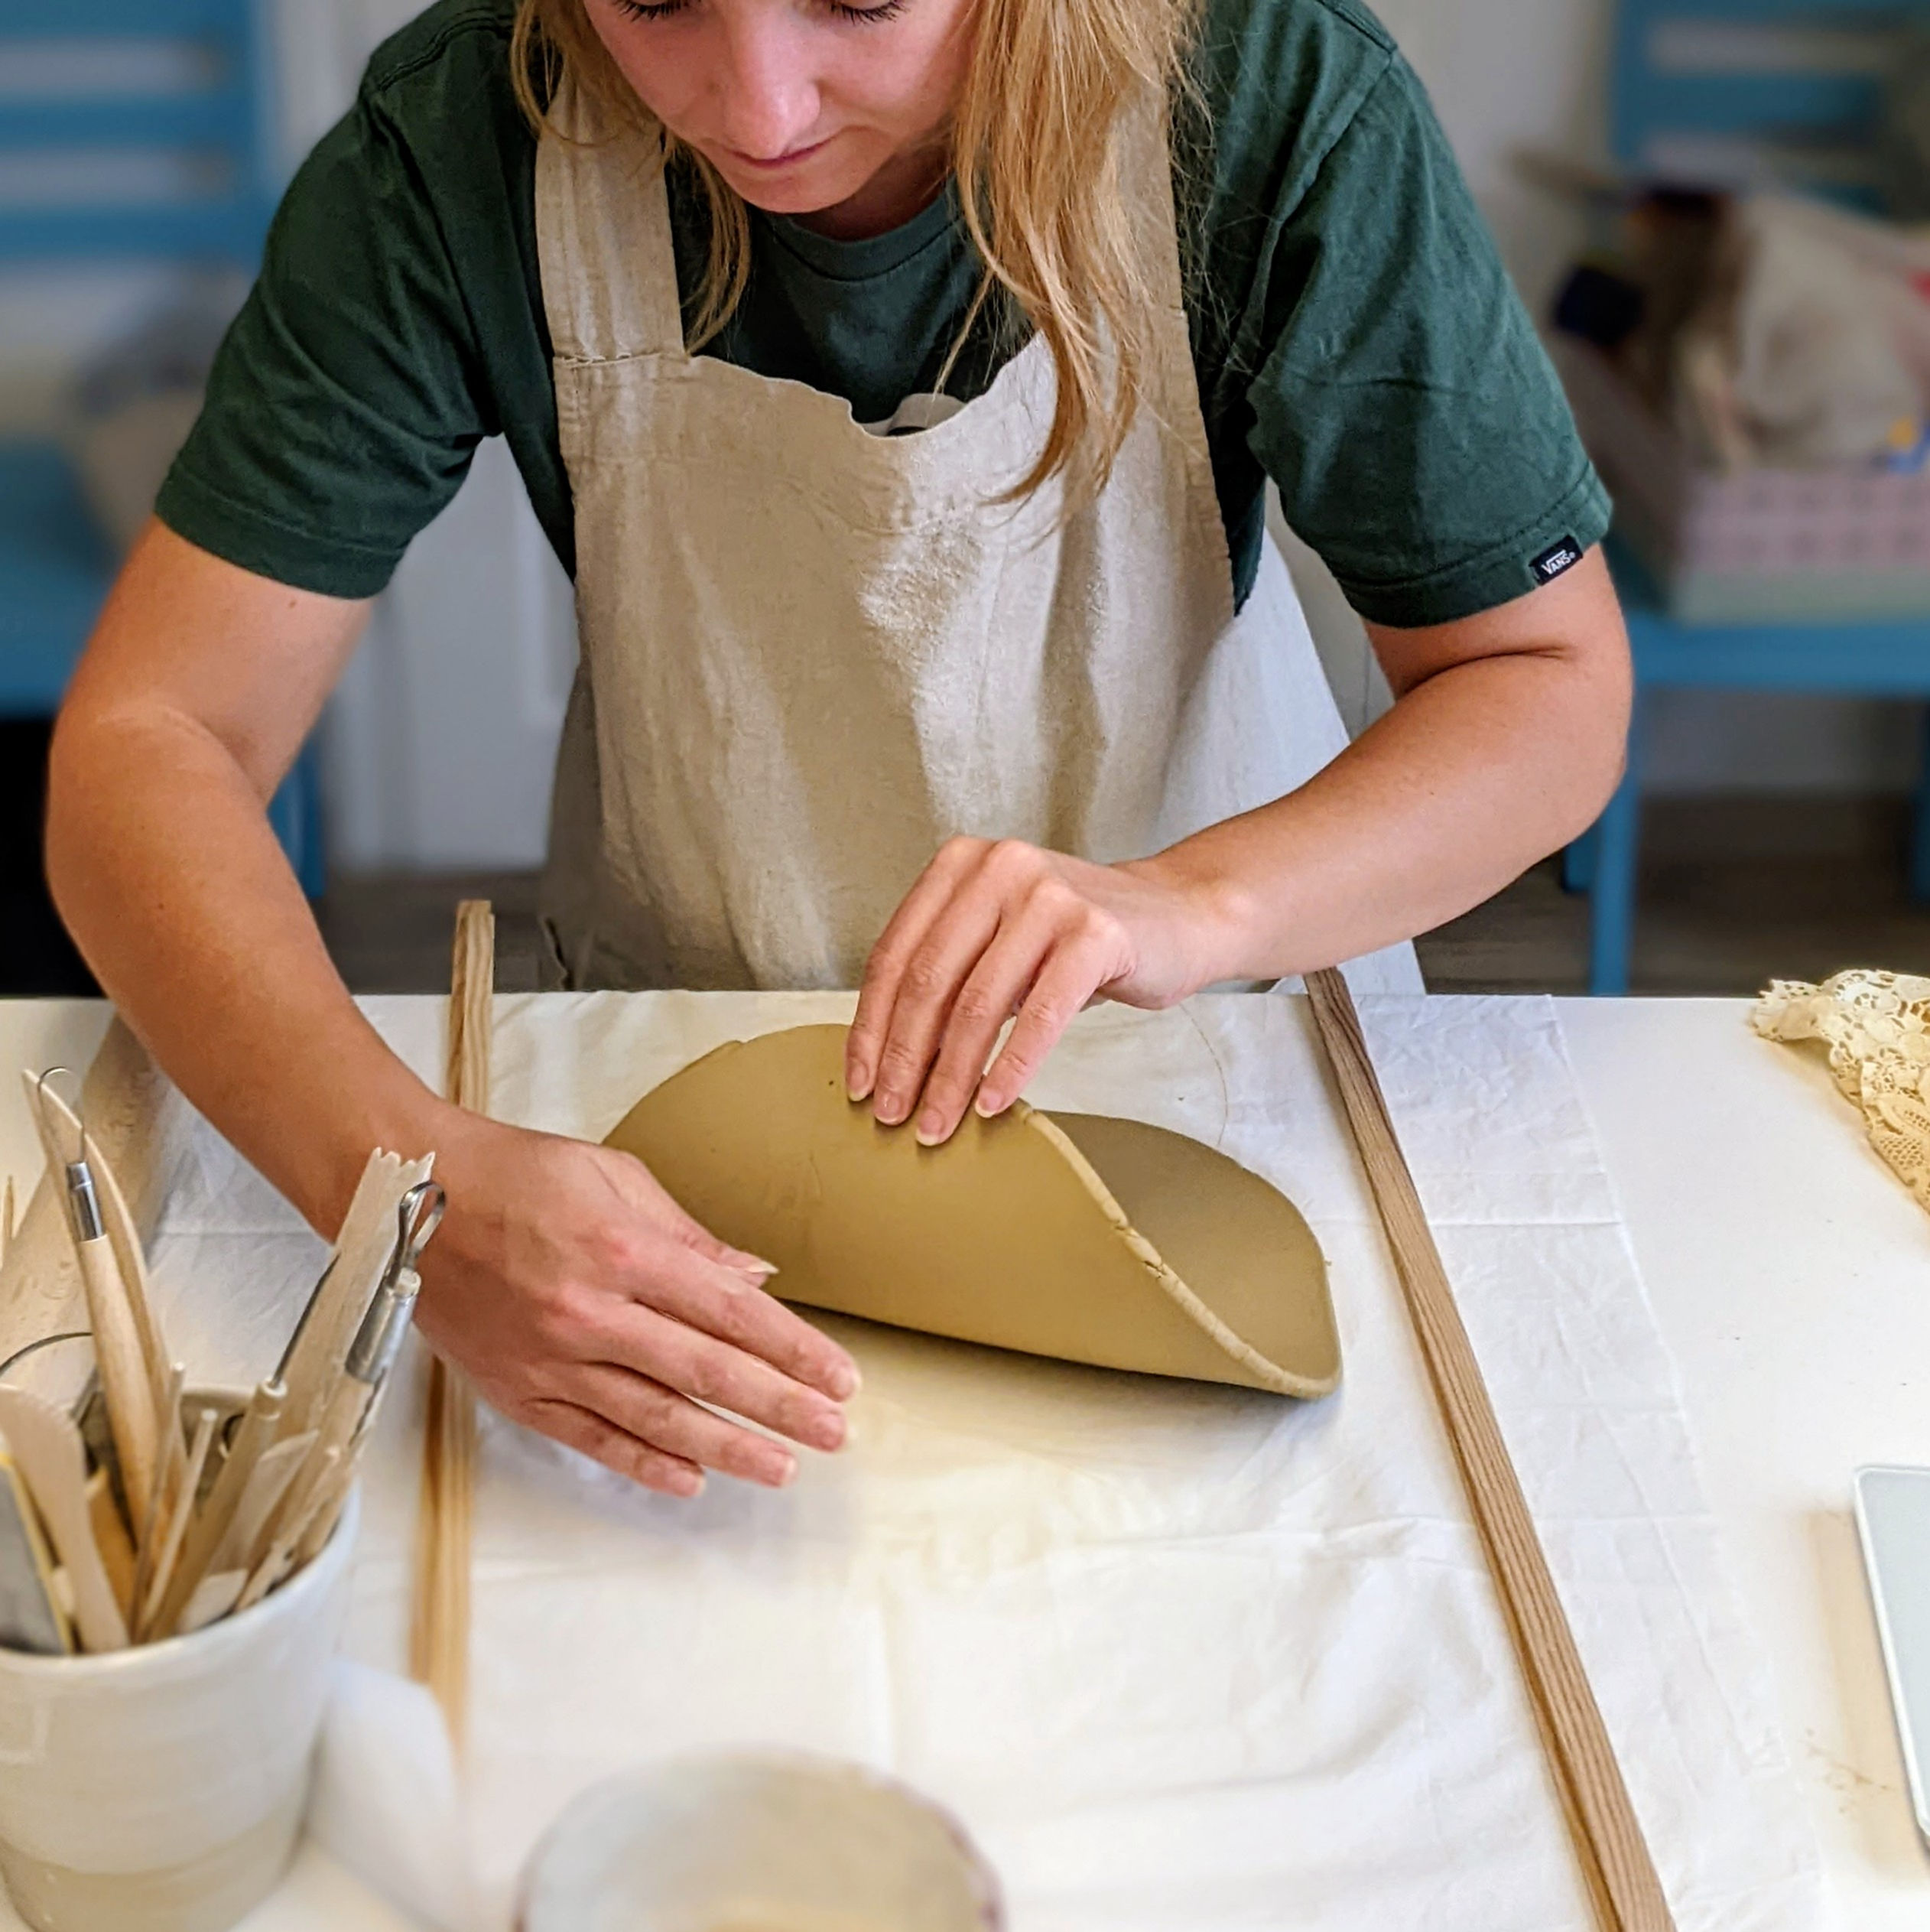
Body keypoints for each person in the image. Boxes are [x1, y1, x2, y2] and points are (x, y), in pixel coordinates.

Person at [45, 0, 1632, 1500]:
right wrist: (400, 1184)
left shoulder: (1272, 92)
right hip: (681, 1106)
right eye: (655, 1)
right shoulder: (465, 126)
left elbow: (1544, 683)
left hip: (1211, 1060)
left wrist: (1191, 902)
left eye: (858, 1)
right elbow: (152, 738)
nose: (757, 110)